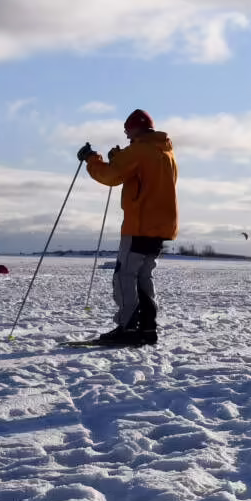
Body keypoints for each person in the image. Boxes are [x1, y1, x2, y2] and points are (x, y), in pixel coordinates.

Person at [80, 109, 178, 346]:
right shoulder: (165, 152)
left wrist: (92, 159)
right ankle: (147, 326)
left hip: (139, 225)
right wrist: (121, 157)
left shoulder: (140, 150)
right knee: (143, 276)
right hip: (161, 227)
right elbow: (141, 175)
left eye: (127, 129)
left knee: (124, 275)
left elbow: (112, 176)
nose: (125, 134)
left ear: (136, 128)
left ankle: (128, 326)